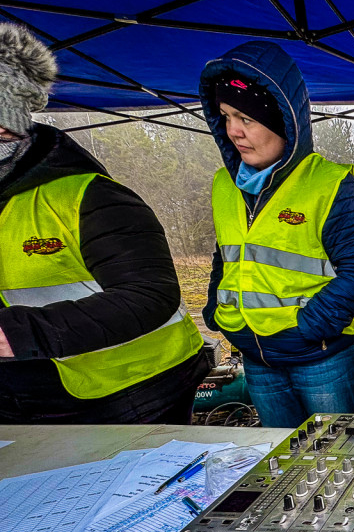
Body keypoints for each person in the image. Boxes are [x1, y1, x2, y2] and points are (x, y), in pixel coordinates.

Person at [0, 23, 210, 424]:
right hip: (23, 404)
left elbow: (150, 293)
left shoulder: (92, 196)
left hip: (135, 393)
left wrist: (20, 333)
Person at [198, 41, 354, 428]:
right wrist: (217, 309)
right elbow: (226, 254)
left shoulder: (330, 184)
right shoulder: (222, 184)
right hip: (256, 356)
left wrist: (309, 328)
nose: (233, 130)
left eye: (246, 118)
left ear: (282, 119)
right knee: (281, 457)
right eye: (226, 116)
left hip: (321, 356)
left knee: (335, 460)